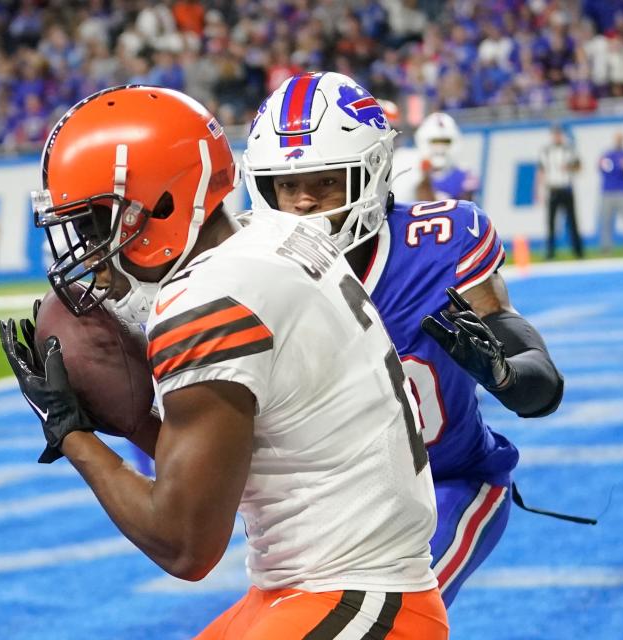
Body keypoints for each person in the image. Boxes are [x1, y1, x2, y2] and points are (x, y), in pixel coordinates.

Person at [1, 85, 449, 639]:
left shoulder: (208, 299)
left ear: (162, 203)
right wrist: (138, 418)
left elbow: (185, 545)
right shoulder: (272, 235)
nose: (91, 251)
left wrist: (69, 433)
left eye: (96, 222)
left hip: (355, 595)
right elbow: (244, 458)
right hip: (319, 584)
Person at [242, 72, 566, 607]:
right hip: (326, 509)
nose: (301, 203)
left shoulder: (437, 245)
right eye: (287, 185)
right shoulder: (249, 273)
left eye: (324, 182)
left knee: (382, 613)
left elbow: (533, 374)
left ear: (369, 175)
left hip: (447, 485)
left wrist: (509, 375)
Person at [537, 123, 584, 260]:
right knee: (551, 223)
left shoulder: (569, 149)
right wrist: (539, 191)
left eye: (559, 134)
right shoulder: (546, 151)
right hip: (553, 189)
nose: (557, 137)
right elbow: (541, 171)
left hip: (566, 189)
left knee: (573, 222)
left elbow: (579, 166)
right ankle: (550, 253)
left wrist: (569, 167)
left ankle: (578, 252)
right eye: (555, 134)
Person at [414, 111, 480, 202]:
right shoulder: (415, 172)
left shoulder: (465, 173)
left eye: (445, 141)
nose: (440, 147)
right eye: (435, 141)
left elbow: (466, 207)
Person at [597, 132, 623, 253]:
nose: (619, 141)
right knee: (606, 220)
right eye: (618, 139)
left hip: (621, 190)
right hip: (608, 191)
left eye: (621, 139)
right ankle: (606, 246)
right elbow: (602, 167)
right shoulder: (608, 154)